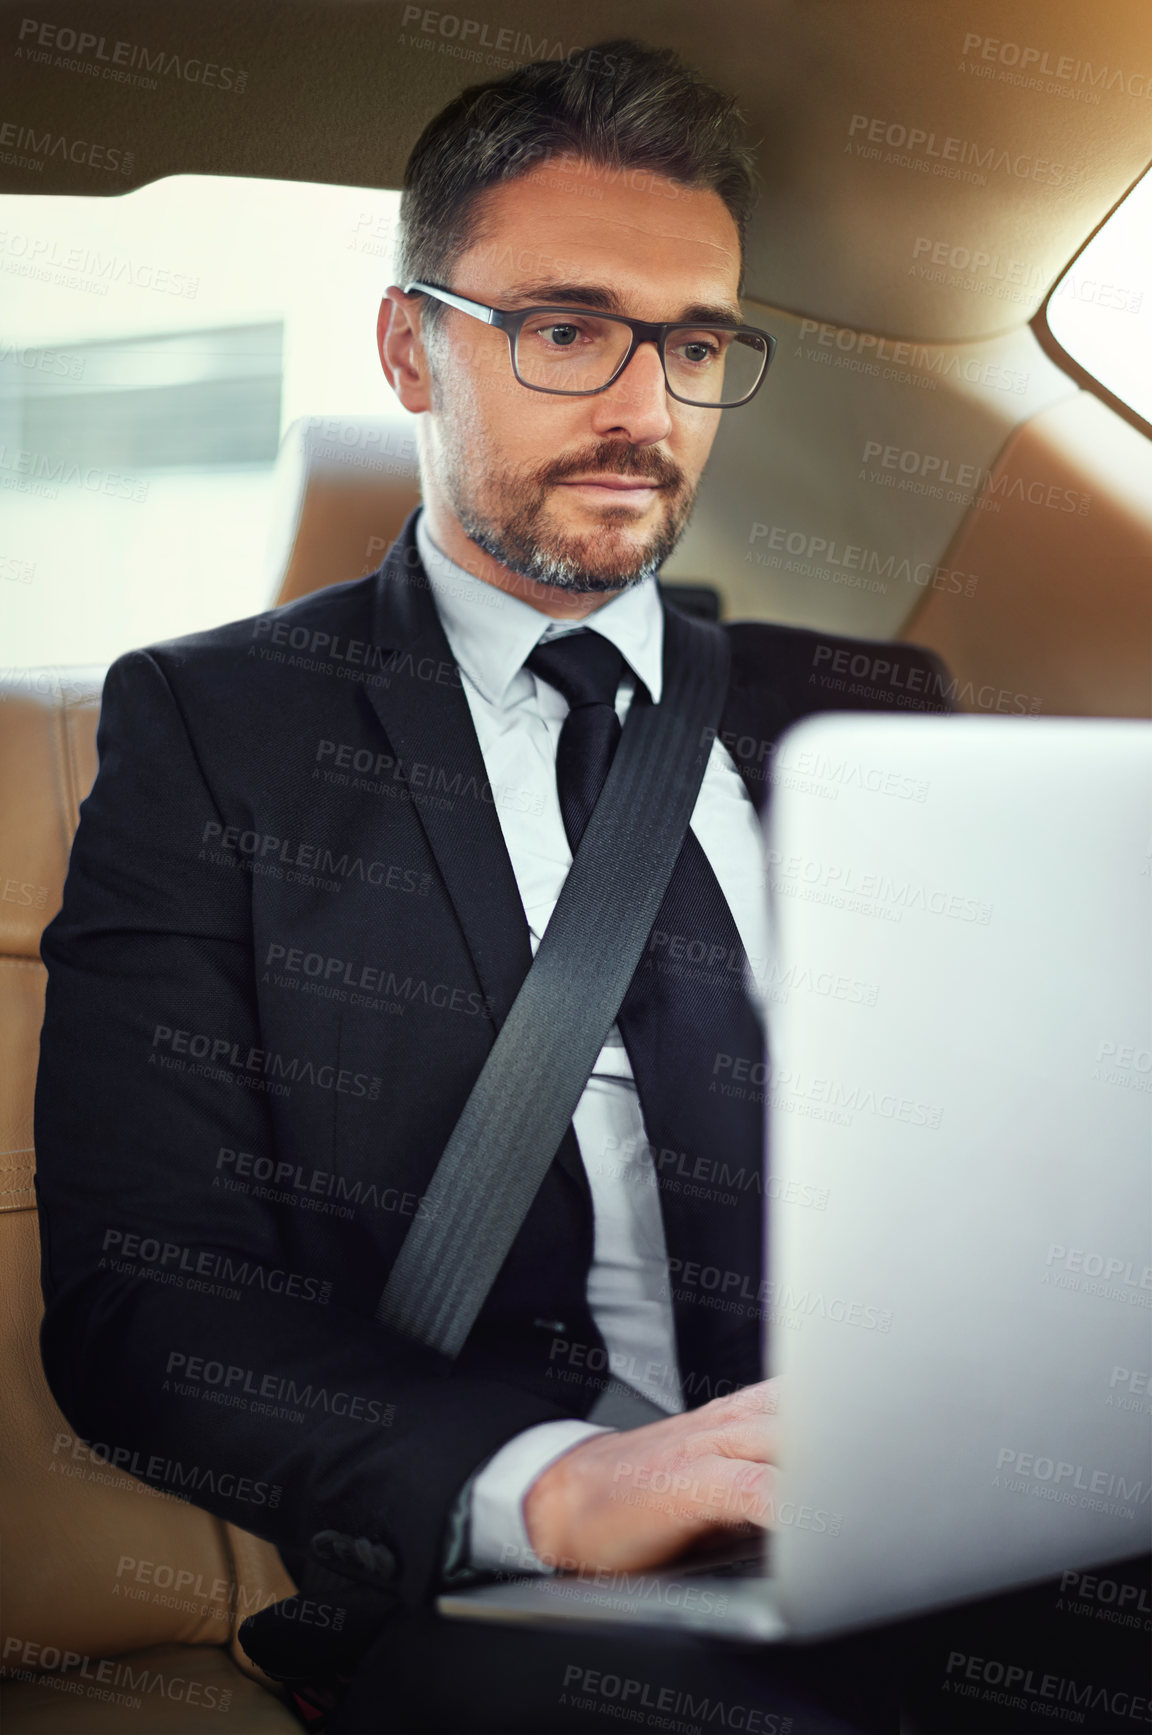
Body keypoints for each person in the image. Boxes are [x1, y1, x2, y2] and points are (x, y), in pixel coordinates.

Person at [34, 37, 1036, 1735]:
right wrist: (556, 1486)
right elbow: (147, 1294)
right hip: (558, 1588)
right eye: (567, 330)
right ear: (410, 350)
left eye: (697, 344)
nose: (645, 409)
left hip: (956, 1526)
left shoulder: (870, 708)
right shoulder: (219, 728)